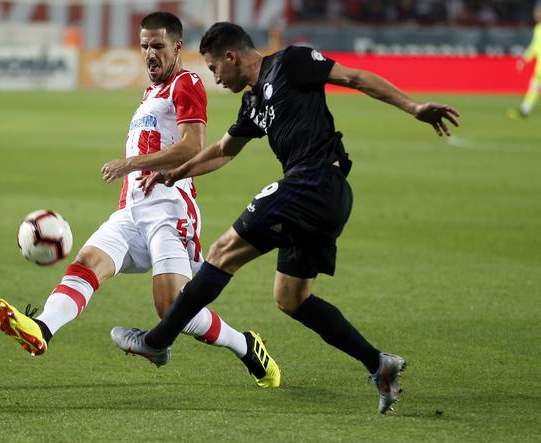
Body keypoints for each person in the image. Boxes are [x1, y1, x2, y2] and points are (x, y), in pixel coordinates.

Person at [111, 21, 460, 414]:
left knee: (224, 250)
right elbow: (225, 149)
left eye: (214, 69)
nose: (215, 78)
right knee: (291, 299)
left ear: (231, 56)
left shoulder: (292, 62)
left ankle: (157, 341)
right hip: (321, 199)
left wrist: (414, 107)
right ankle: (378, 364)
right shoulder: (253, 102)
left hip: (315, 181)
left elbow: (357, 78)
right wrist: (178, 172)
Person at [0, 12, 280, 389]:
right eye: (144, 46)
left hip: (170, 211)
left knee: (171, 311)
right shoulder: (150, 95)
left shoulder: (186, 82)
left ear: (176, 47)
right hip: (130, 212)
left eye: (157, 46)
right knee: (87, 263)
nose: (149, 54)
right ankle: (43, 328)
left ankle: (245, 345)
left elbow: (193, 146)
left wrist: (131, 163)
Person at [508, 4, 541, 120]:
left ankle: (524, 110)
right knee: (534, 88)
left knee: (534, 87)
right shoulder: (538, 29)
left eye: (537, 12)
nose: (535, 14)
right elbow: (534, 48)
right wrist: (524, 60)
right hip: (539, 69)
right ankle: (524, 111)